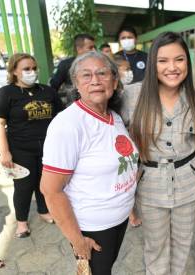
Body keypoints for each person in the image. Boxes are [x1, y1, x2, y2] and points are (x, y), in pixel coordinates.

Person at [40, 51, 138, 275]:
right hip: (92, 227)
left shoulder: (115, 116)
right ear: (76, 83)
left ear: (114, 80)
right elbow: (51, 191)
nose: (95, 80)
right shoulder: (68, 124)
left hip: (118, 218)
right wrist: (77, 241)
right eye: (86, 75)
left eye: (102, 73)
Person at [129, 31, 195, 275]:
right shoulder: (132, 96)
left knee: (184, 246)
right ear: (153, 64)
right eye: (163, 61)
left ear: (187, 63)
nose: (172, 67)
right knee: (156, 247)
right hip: (150, 186)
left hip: (188, 183)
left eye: (179, 59)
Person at [0, 53, 64, 238]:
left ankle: (44, 211)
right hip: (20, 149)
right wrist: (4, 153)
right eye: (26, 69)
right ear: (14, 71)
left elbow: (61, 119)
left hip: (48, 148)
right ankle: (21, 222)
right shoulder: (6, 93)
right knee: (24, 186)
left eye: (34, 68)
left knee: (44, 183)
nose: (32, 72)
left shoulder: (48, 91)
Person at [113, 54, 142, 227]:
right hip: (123, 145)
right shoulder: (115, 95)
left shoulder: (133, 90)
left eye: (129, 68)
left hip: (136, 143)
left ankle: (133, 209)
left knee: (135, 176)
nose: (129, 72)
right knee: (127, 177)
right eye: (126, 69)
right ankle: (131, 213)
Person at [50, 33, 96, 106]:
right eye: (90, 47)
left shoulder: (98, 64)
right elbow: (52, 87)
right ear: (79, 49)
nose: (94, 50)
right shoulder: (65, 65)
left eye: (94, 47)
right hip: (74, 109)